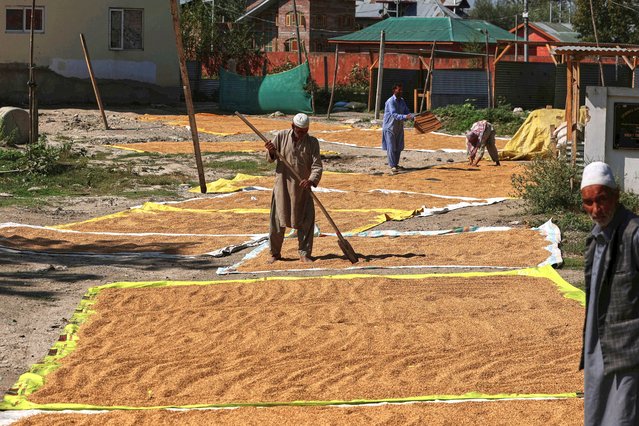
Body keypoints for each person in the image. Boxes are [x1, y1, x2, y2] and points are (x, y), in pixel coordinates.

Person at [579, 161, 639, 426]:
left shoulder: (634, 234)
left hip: (629, 352)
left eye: (601, 199)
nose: (596, 209)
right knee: (598, 413)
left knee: (625, 416)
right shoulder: (595, 240)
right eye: (588, 202)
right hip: (598, 349)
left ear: (616, 196)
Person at [264, 113, 323, 264]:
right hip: (282, 186)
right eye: (299, 130)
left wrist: (310, 181)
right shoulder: (282, 136)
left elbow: (317, 166)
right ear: (292, 126)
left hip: (303, 188)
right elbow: (270, 158)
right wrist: (271, 150)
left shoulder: (313, 142)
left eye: (305, 131)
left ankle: (304, 253)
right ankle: (275, 253)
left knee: (306, 220)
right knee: (277, 221)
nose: (302, 134)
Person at [382, 83, 412, 174]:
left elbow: (407, 111)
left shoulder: (402, 100)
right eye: (399, 90)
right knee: (391, 147)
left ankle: (396, 164)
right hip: (390, 127)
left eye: (401, 90)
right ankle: (392, 166)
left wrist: (412, 116)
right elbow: (394, 114)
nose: (401, 91)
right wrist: (405, 117)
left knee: (399, 147)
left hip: (399, 127)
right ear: (394, 90)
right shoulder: (390, 101)